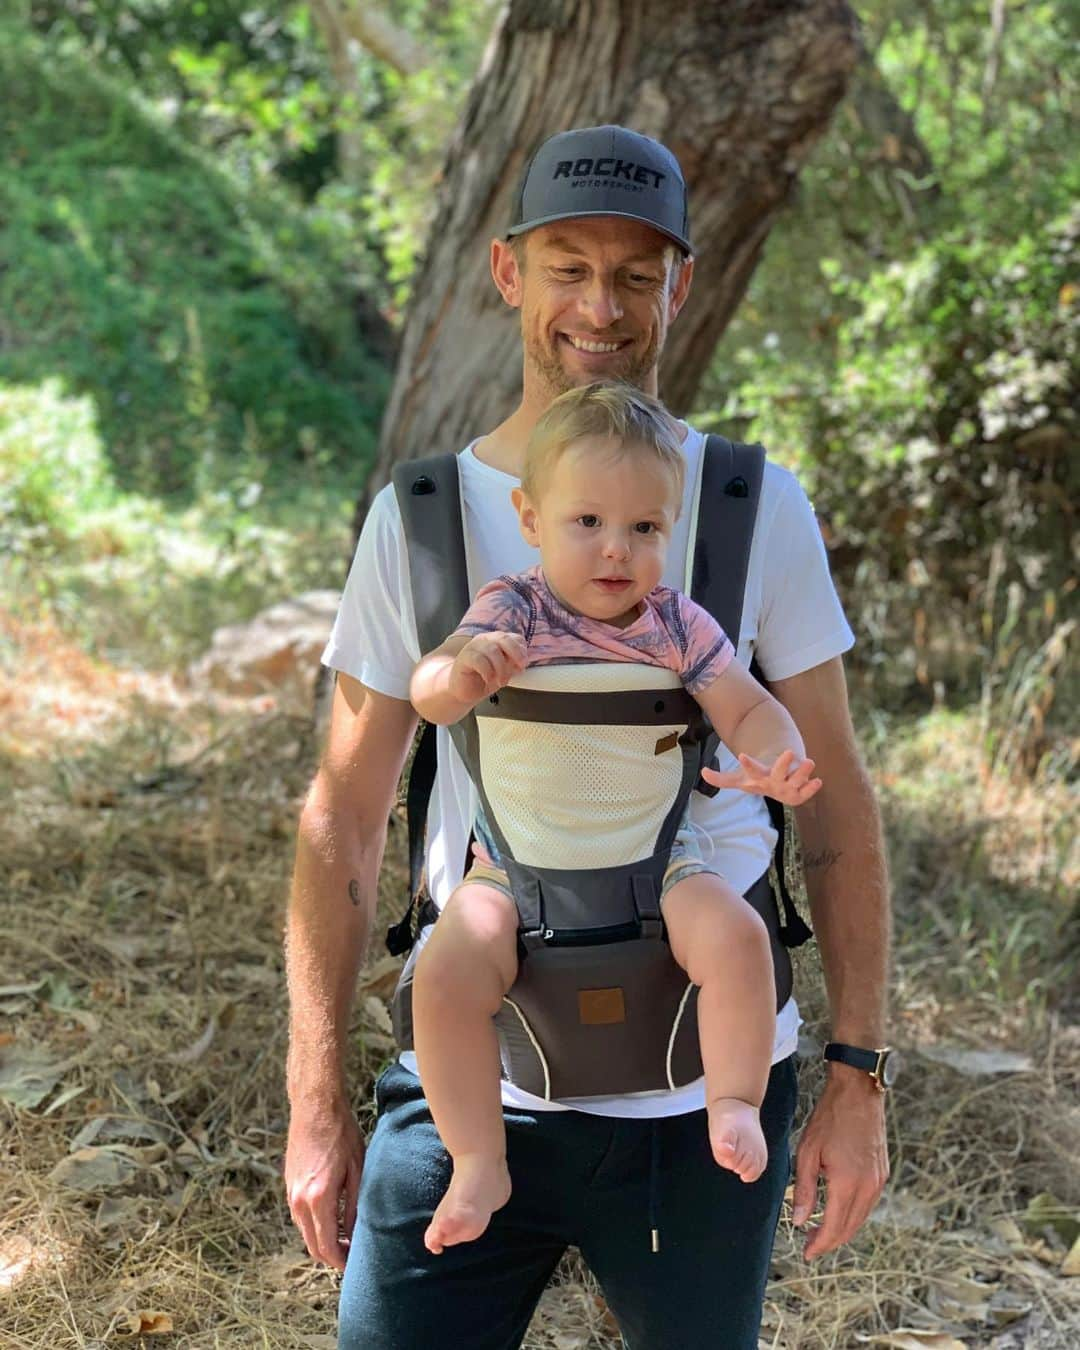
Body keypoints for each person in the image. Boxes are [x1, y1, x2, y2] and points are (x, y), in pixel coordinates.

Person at [285, 125, 891, 1350]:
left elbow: (834, 808)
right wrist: (314, 1102)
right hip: (472, 1078)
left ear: (679, 283)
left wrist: (856, 1074)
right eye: (567, 266)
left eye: (633, 273)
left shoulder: (746, 509)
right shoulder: (425, 523)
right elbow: (341, 820)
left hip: (703, 1106)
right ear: (508, 273)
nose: (599, 306)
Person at [409, 380, 825, 1257]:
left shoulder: (677, 625)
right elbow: (429, 689)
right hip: (512, 871)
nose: (616, 550)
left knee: (739, 939)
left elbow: (747, 705)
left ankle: (735, 1102)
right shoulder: (512, 607)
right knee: (445, 976)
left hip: (653, 864)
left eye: (645, 528)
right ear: (530, 518)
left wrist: (773, 754)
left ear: (671, 530)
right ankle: (479, 1158)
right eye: (587, 522)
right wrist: (464, 673)